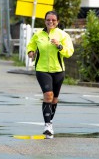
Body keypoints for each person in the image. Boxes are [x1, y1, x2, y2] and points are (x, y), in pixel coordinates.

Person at [27, 11, 74, 139]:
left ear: (57, 21)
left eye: (53, 20)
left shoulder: (63, 35)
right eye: (48, 19)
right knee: (48, 95)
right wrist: (31, 52)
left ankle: (50, 121)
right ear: (45, 21)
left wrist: (59, 46)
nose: (50, 22)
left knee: (54, 99)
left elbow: (69, 52)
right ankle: (47, 125)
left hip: (58, 70)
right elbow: (30, 46)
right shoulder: (38, 35)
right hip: (42, 69)